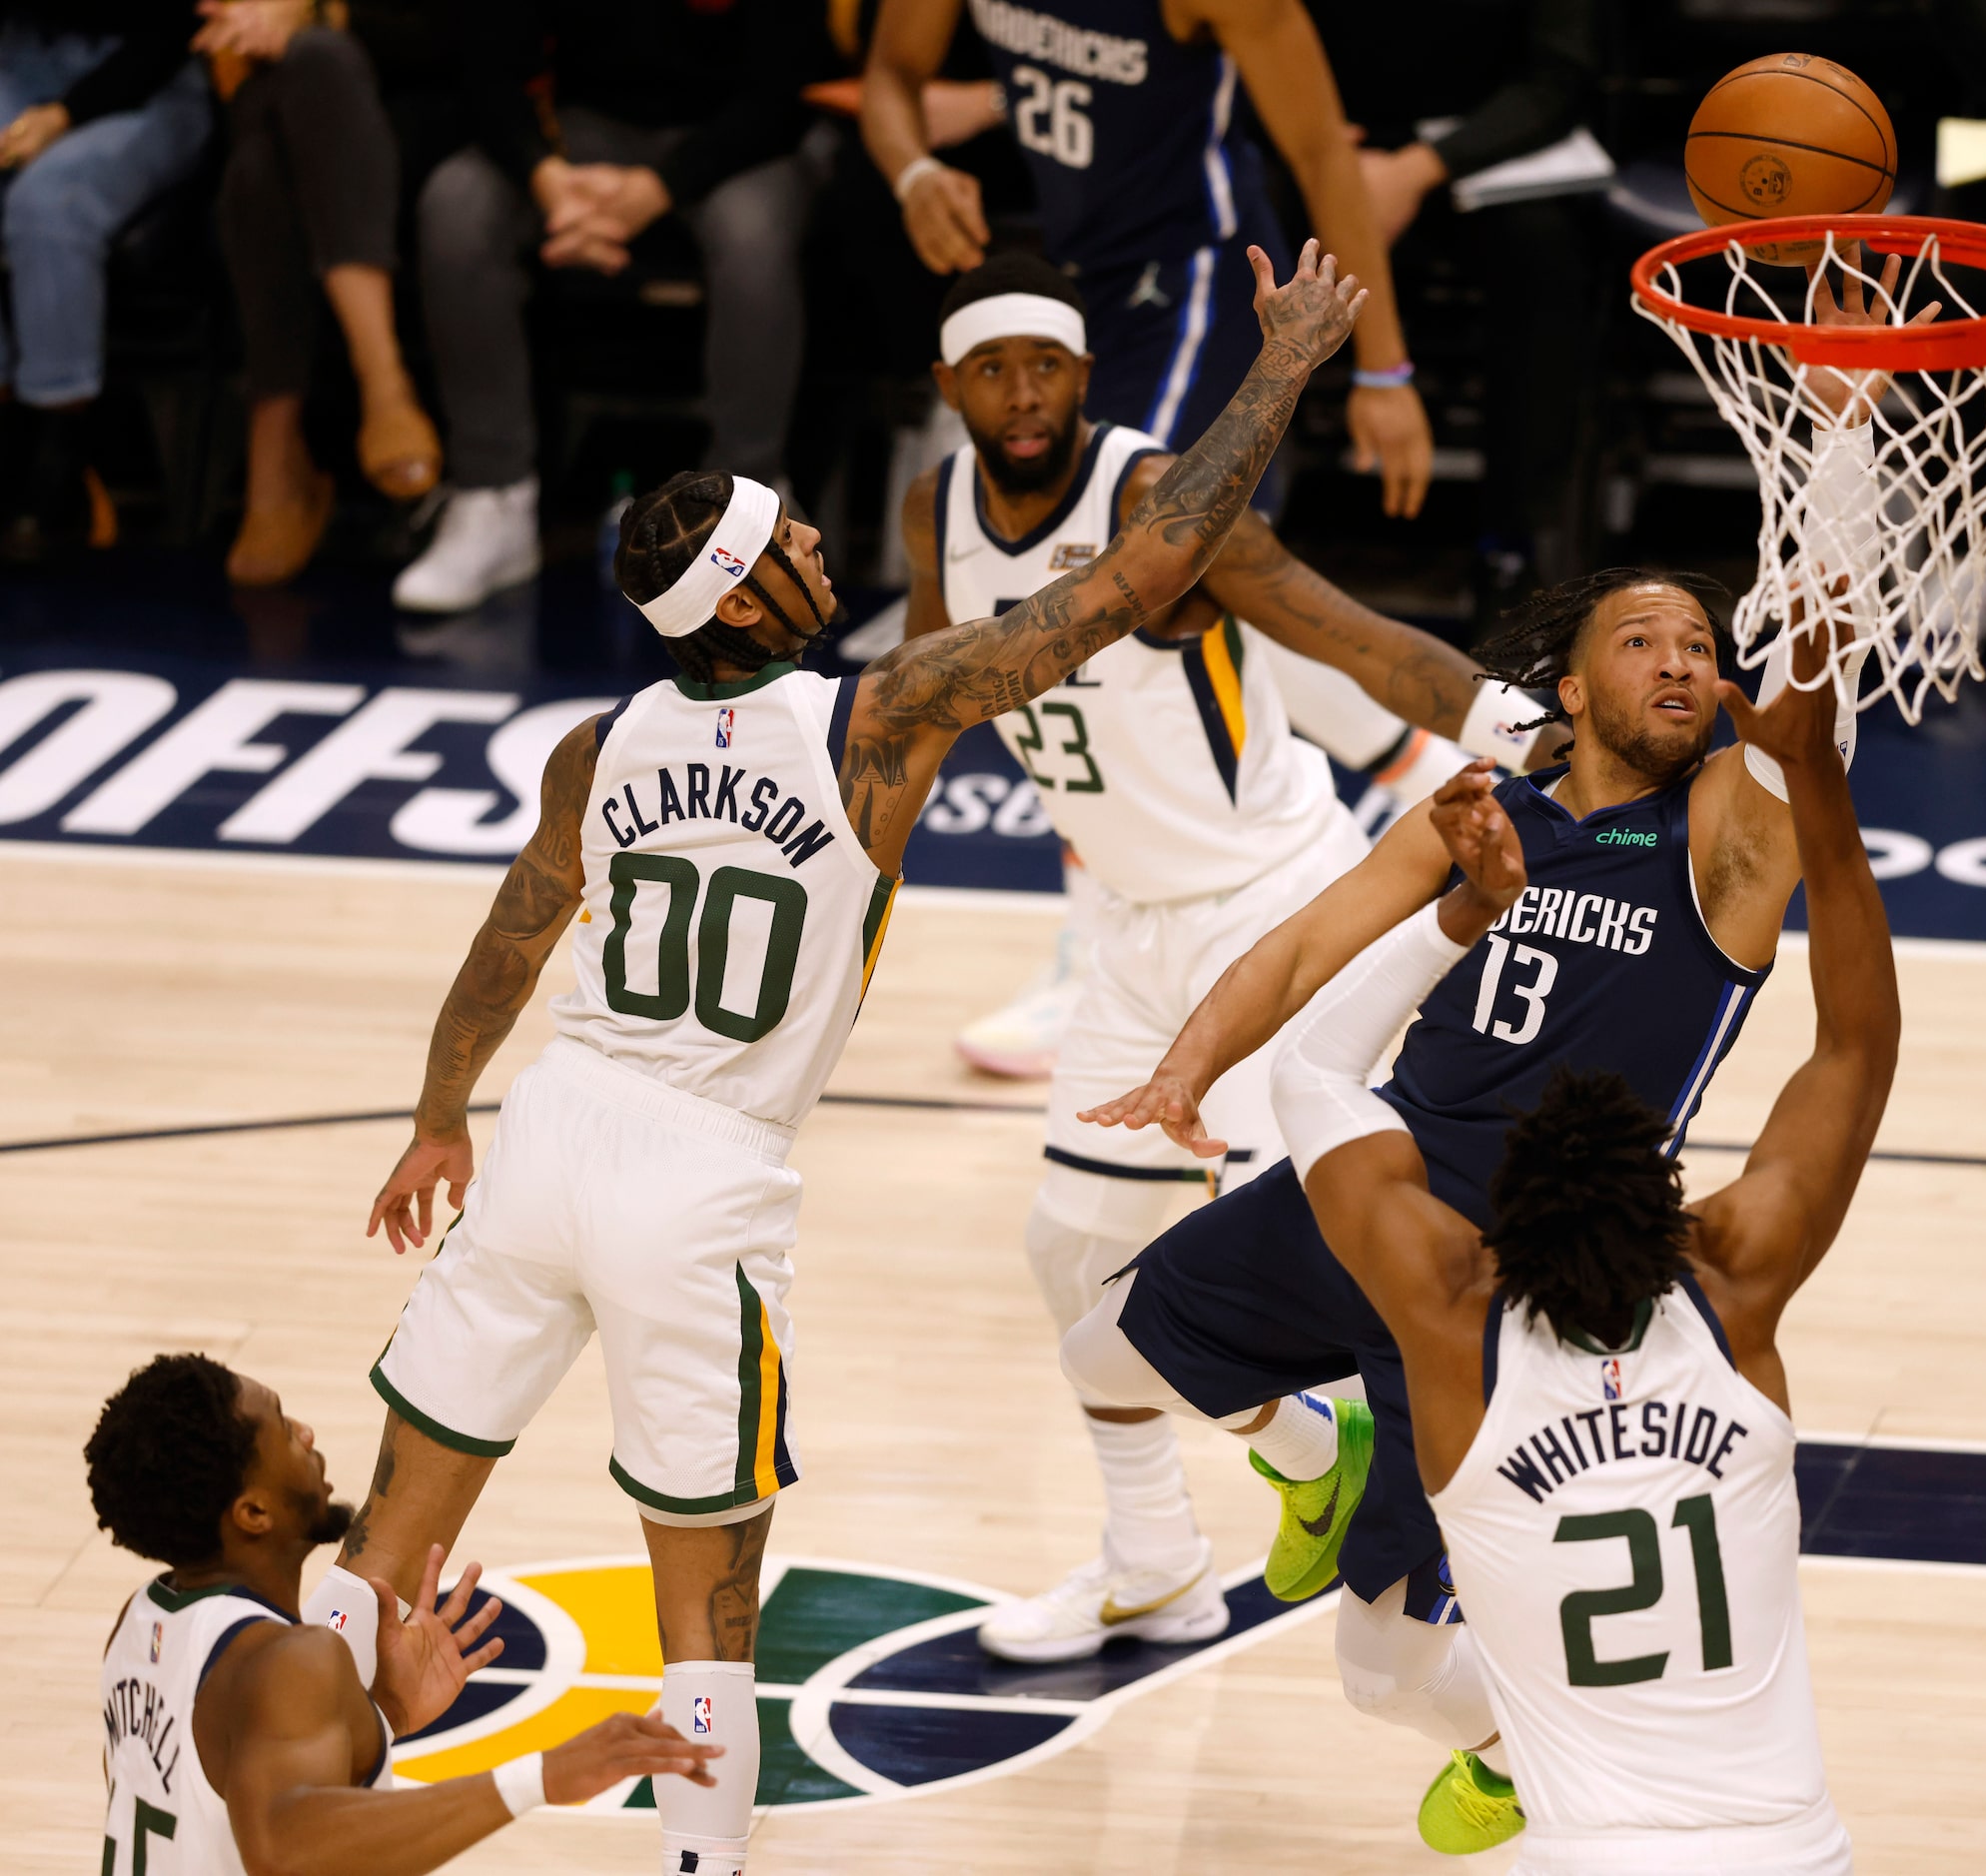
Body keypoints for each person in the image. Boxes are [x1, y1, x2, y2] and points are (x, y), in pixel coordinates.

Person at [315, 241, 1362, 1876]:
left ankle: (296, 1809)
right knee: (707, 1592)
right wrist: (1280, 369)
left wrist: (440, 1115)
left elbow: (513, 942)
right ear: (745, 596)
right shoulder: (882, 717)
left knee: (389, 1539)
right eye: (788, 535)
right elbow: (1144, 569)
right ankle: (699, 1862)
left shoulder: (596, 749)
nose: (818, 537)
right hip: (700, 1172)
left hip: (544, 1137)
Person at [1063, 265, 1906, 1852]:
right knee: (1099, 1350)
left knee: (1383, 1670)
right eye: (1643, 640)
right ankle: (1319, 1455)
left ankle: (1524, 1752)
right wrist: (1184, 1070)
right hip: (1370, 1187)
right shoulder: (1486, 804)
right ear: (1570, 686)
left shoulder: (1726, 835)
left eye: (1699, 643)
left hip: (1527, 1265)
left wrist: (1842, 445)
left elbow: (1819, 683)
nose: (1681, 660)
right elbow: (1308, 952)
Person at [904, 248, 1545, 1661]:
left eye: (1048, 367)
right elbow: (919, 701)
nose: (1022, 396)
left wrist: (1532, 734)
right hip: (1127, 935)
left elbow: (1363, 646)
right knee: (1074, 1253)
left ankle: (1473, 1576)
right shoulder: (931, 509)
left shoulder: (1151, 501)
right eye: (992, 369)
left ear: (1087, 374)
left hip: (1270, 906)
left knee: (1302, 1262)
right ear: (945, 384)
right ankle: (1169, 1553)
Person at [1270, 619, 1893, 1873]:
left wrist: (1459, 920)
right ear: (1683, 1223)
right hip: (1790, 1848)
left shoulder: (1455, 1336)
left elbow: (1310, 1070)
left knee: (1383, 1669)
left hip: (1590, 1851)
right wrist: (1816, 787)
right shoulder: (1731, 1302)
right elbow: (1851, 1051)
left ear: (1485, 1245)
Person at [87, 1352, 722, 1872]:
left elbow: (222, 1786)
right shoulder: (289, 1660)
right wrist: (542, 1777)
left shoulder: (142, 1619)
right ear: (253, 1513)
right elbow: (284, 1851)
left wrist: (379, 1721)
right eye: (280, 1427)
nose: (304, 1434)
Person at [858, 0, 1433, 516]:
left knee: (1144, 550)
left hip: (1200, 280)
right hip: (1078, 271)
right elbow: (890, 73)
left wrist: (1383, 372)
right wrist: (915, 175)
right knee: (1022, 545)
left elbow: (1322, 150)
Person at [390, 0, 835, 615]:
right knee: (457, 206)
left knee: (753, 237)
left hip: (745, 138)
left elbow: (786, 89)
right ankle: (493, 494)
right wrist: (548, 181)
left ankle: (751, 509)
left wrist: (658, 190)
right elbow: (488, 62)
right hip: (582, 132)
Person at [1308, 0, 1602, 600]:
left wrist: (1415, 171)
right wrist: (1322, 152)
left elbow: (1561, 79)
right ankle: (1229, 518)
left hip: (1477, 143)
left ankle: (1517, 548)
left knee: (1545, 252)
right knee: (1230, 227)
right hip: (1322, 139)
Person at [194, 0, 454, 585]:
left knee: (311, 70)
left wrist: (314, 12)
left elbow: (456, 33)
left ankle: (279, 450)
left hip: (421, 108)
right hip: (270, 99)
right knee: (268, 145)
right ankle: (383, 384)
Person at [0, 0, 210, 561]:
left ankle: (59, 450)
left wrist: (67, 114)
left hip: (151, 71)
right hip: (19, 51)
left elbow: (174, 26)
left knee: (48, 205)